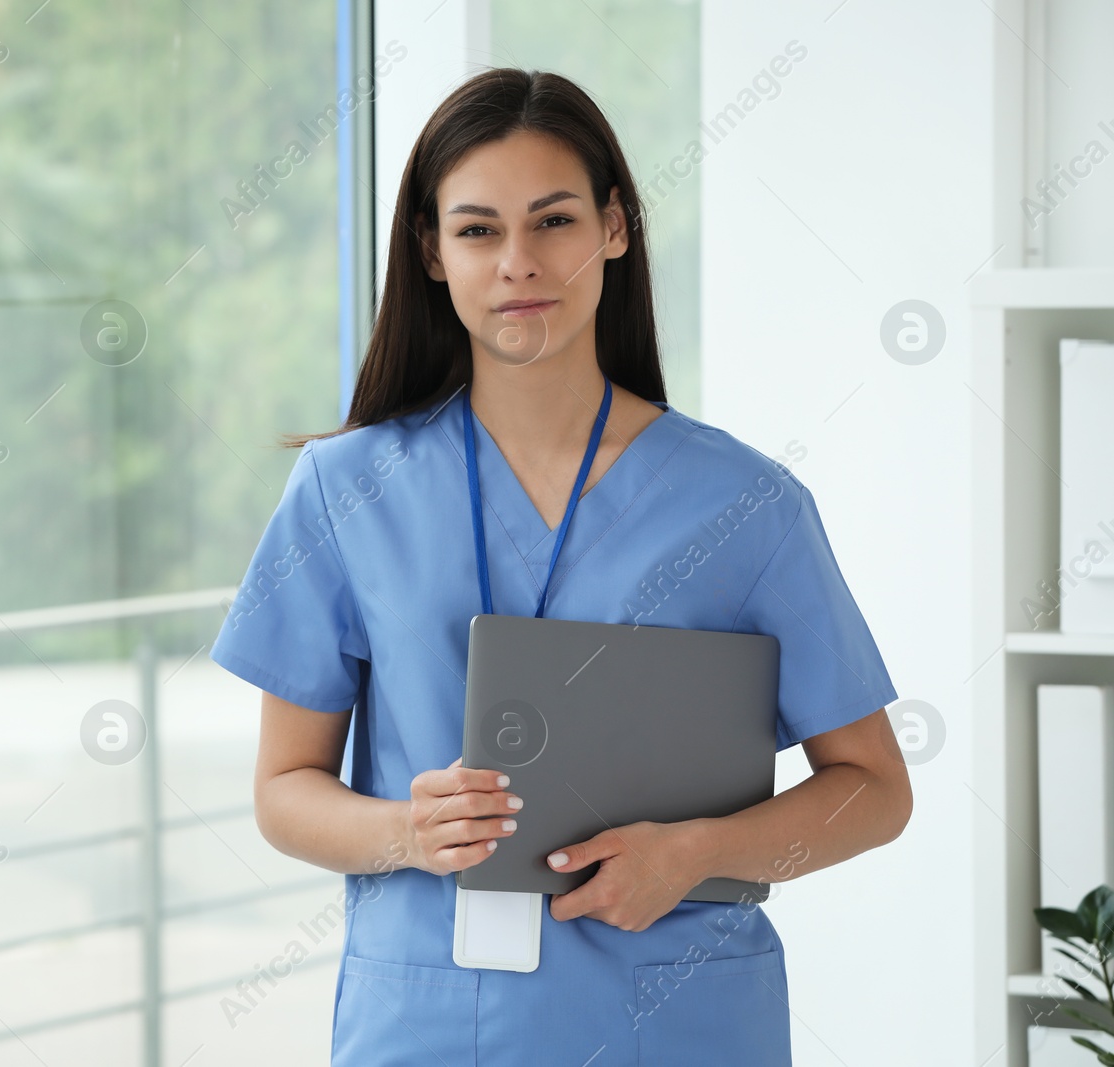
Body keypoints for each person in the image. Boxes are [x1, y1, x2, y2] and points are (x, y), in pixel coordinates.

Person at [208, 66, 911, 1067]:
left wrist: (698, 851)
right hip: (431, 1022)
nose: (517, 263)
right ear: (432, 251)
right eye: (478, 229)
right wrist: (407, 830)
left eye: (553, 221)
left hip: (680, 1025)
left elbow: (874, 787)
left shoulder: (745, 504)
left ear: (613, 229)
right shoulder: (343, 489)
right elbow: (284, 788)